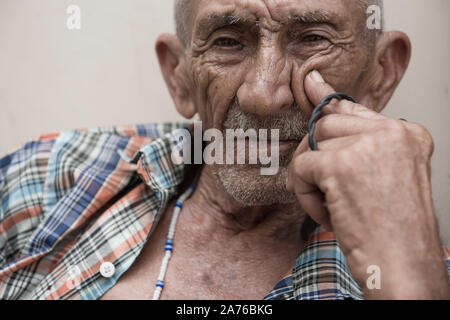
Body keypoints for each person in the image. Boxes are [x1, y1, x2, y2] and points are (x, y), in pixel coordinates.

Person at [0, 0, 448, 300]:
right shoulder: (51, 175)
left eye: (312, 39)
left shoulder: (416, 273)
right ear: (179, 76)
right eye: (228, 43)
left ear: (381, 74)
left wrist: (409, 274)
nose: (262, 94)